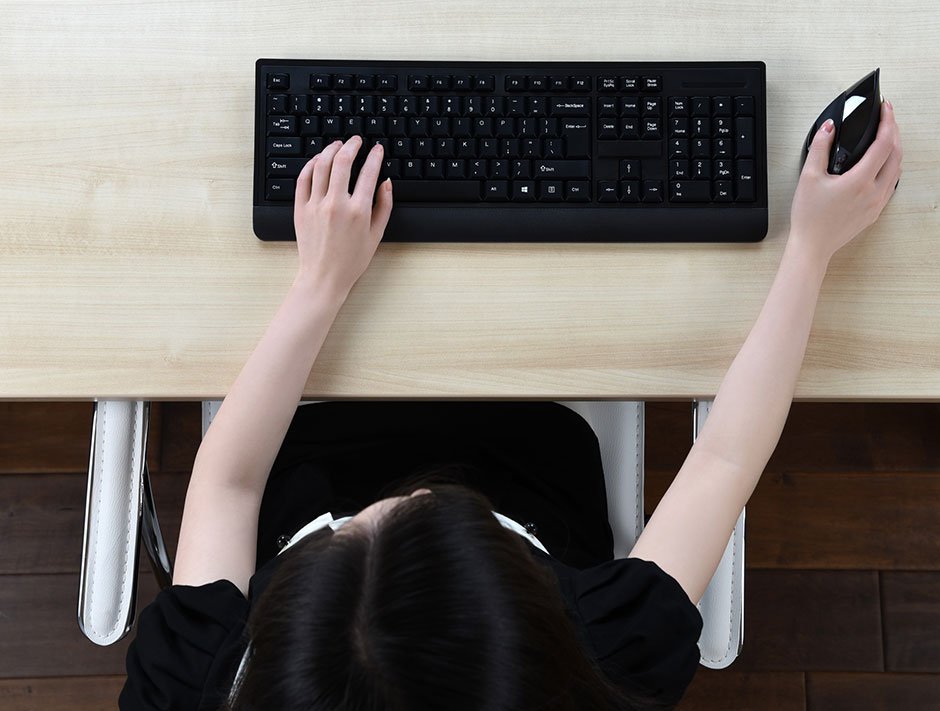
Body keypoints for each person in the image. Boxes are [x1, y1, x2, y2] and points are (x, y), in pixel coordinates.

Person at [120, 102, 903, 711]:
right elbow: (723, 460)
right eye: (431, 510)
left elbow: (231, 483)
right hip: (538, 458)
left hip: (308, 455)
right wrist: (811, 249)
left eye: (358, 528)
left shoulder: (191, 683)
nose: (408, 488)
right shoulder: (607, 665)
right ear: (531, 622)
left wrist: (320, 283)